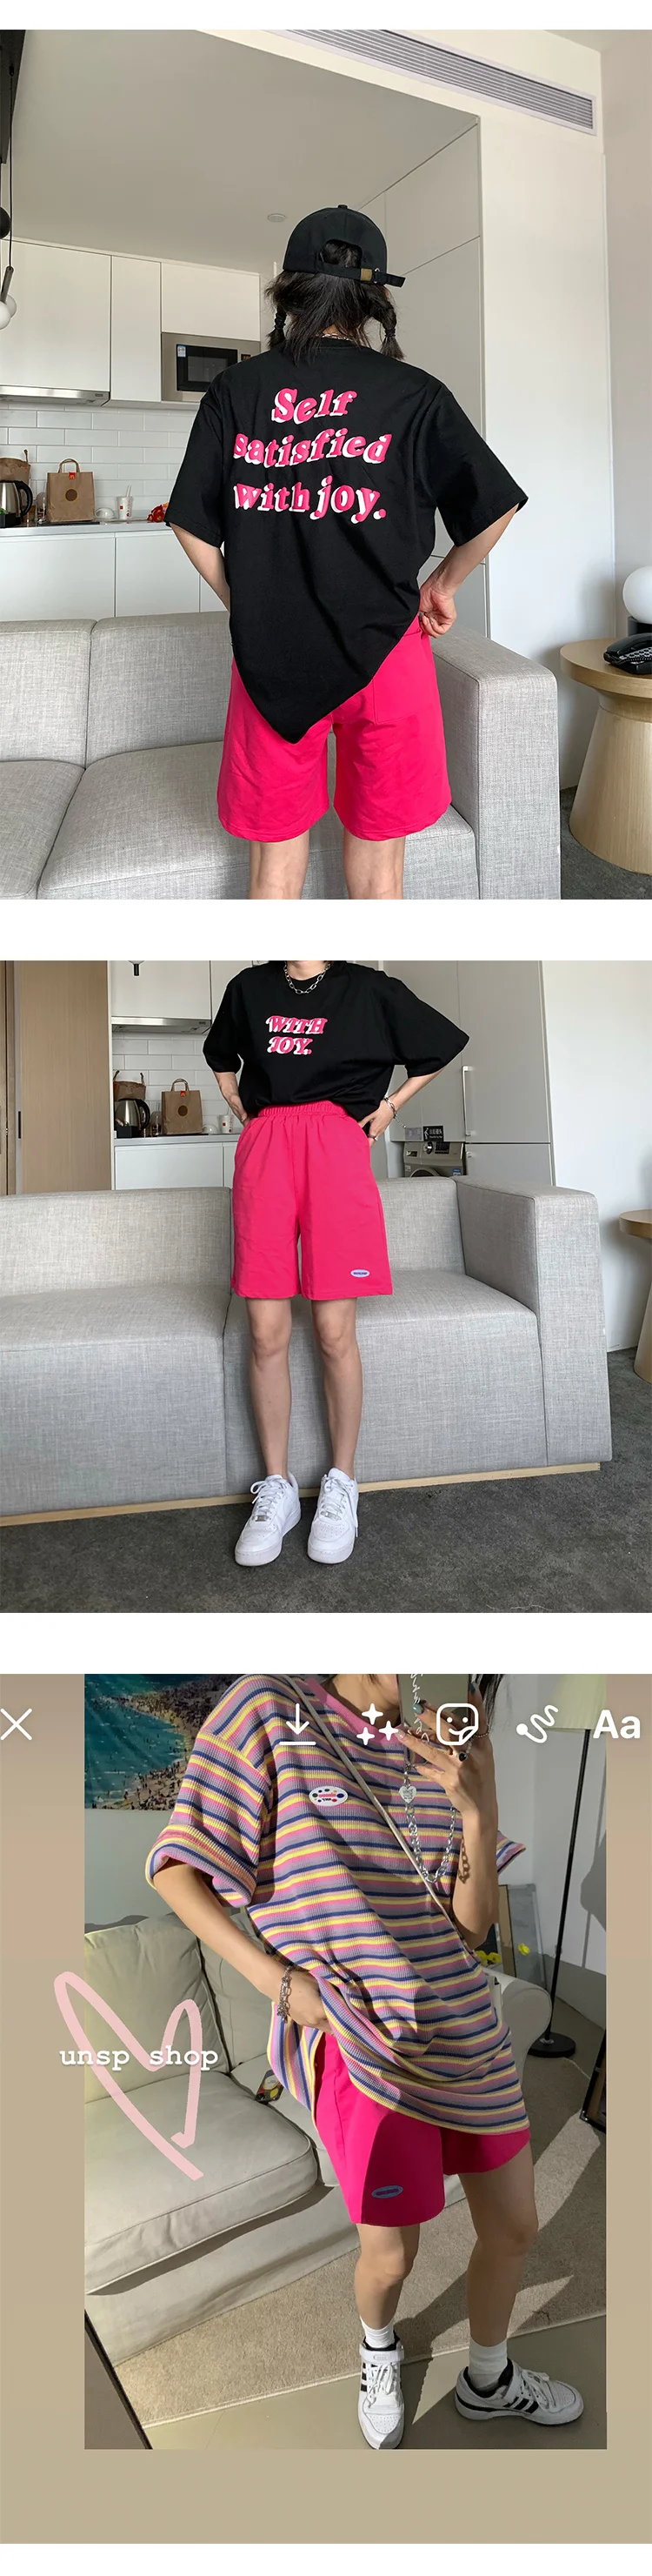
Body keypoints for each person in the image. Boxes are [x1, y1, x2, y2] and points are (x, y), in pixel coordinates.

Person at [146, 1673, 583, 2450]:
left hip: (468, 2030)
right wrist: (279, 1984)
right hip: (362, 2043)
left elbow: (472, 1927)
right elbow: (176, 1869)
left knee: (516, 2226)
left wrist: (479, 1814)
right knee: (391, 2253)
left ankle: (487, 2379)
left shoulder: (439, 1744)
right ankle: (378, 2350)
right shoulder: (271, 1710)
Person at [166, 202, 528, 898]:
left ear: (290, 291)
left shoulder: (237, 389)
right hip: (388, 653)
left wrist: (243, 598)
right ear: (373, 298)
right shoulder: (415, 393)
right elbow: (495, 505)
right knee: (381, 872)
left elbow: (189, 522)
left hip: (270, 655)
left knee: (275, 872)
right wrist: (442, 585)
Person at [203, 960, 467, 1565]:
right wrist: (237, 1101)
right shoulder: (249, 987)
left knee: (333, 1331)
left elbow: (440, 1044)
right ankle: (277, 1487)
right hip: (267, 1143)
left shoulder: (368, 988)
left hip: (336, 1144)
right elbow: (221, 1055)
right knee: (265, 1333)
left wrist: (392, 1105)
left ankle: (342, 1483)